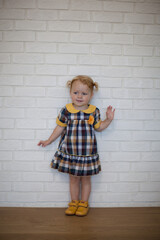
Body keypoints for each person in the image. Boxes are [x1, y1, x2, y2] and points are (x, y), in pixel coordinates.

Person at [38, 75, 115, 217]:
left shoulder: (94, 111)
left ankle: (84, 203)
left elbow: (99, 127)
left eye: (84, 93)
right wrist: (48, 141)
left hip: (87, 154)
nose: (79, 96)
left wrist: (108, 120)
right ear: (70, 93)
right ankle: (74, 202)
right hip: (70, 152)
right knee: (73, 178)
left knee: (86, 179)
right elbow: (59, 128)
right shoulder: (66, 110)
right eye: (76, 92)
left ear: (91, 95)